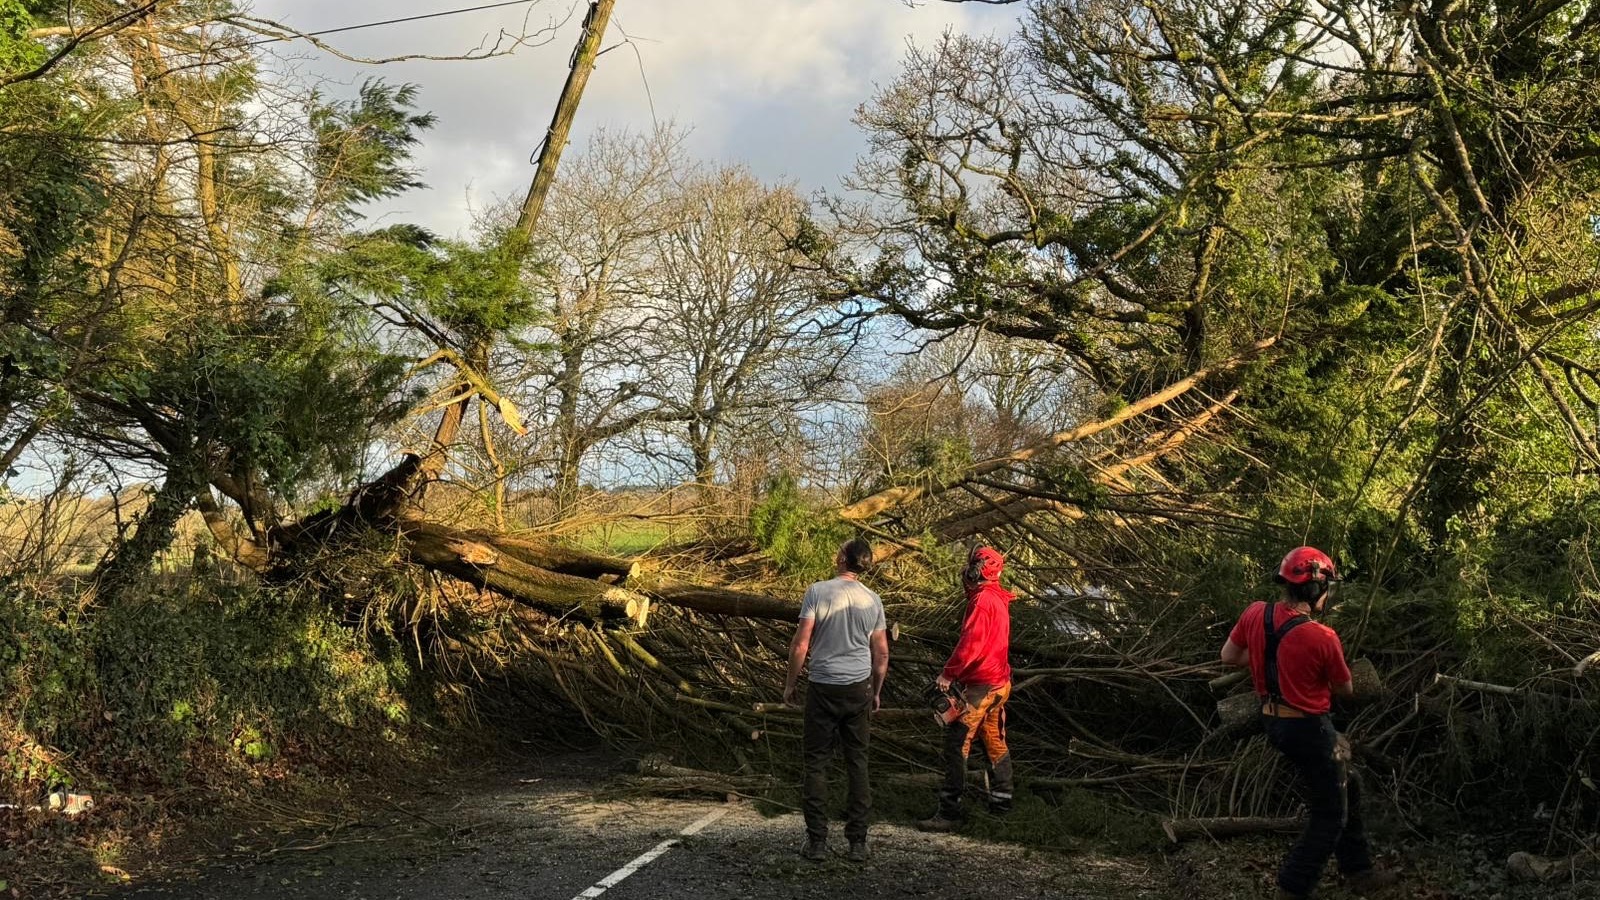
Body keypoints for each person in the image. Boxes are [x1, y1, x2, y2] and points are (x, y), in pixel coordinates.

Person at [1219, 546, 1398, 899]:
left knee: (1349, 784)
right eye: (1326, 587)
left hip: (1274, 723)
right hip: (1309, 729)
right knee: (1330, 814)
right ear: (1316, 588)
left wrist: (1271, 659)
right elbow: (1345, 688)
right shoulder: (1322, 636)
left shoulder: (1256, 613)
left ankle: (1358, 869)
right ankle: (1292, 887)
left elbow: (1229, 656)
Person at [782, 537, 888, 863]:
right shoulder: (873, 600)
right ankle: (857, 842)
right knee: (857, 763)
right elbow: (881, 653)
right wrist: (876, 690)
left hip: (823, 686)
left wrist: (790, 684)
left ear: (843, 559)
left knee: (816, 762)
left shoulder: (817, 592)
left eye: (839, 549)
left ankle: (816, 841)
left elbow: (801, 644)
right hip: (858, 688)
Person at [917, 545, 1015, 832]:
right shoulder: (997, 597)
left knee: (956, 743)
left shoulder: (982, 601)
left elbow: (971, 644)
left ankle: (949, 813)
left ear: (978, 570)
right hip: (999, 684)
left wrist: (948, 674)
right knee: (994, 741)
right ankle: (1002, 804)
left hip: (982, 688)